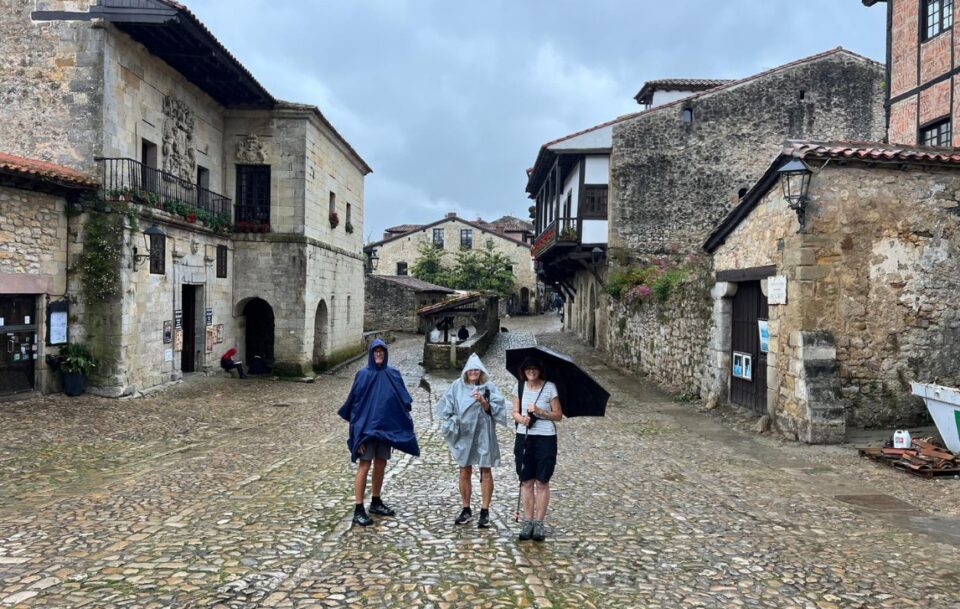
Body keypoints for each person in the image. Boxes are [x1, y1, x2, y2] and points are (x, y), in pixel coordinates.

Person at [338, 339, 420, 526]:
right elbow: (355, 407)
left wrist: (397, 432)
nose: (379, 355)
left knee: (381, 463)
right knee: (364, 465)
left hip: (385, 430)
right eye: (375, 352)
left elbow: (401, 405)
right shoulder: (362, 375)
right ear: (370, 354)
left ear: (385, 354)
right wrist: (357, 435)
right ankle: (358, 508)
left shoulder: (393, 375)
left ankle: (376, 501)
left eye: (381, 352)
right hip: (366, 430)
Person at [435, 353, 507, 528]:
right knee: (464, 470)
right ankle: (466, 508)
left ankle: (484, 510)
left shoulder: (489, 387)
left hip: (484, 432)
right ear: (466, 372)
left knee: (485, 471)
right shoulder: (457, 387)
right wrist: (453, 422)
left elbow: (498, 410)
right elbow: (446, 407)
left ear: (480, 371)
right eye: (470, 370)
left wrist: (484, 402)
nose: (473, 372)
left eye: (476, 370)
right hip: (465, 434)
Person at [511, 357, 562, 542]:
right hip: (524, 438)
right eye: (528, 369)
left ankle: (539, 523)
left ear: (540, 370)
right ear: (523, 371)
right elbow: (515, 411)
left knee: (542, 481)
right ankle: (528, 521)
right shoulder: (519, 387)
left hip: (545, 439)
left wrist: (540, 411)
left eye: (534, 368)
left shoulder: (550, 387)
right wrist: (521, 419)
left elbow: (558, 415)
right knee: (526, 481)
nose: (531, 372)